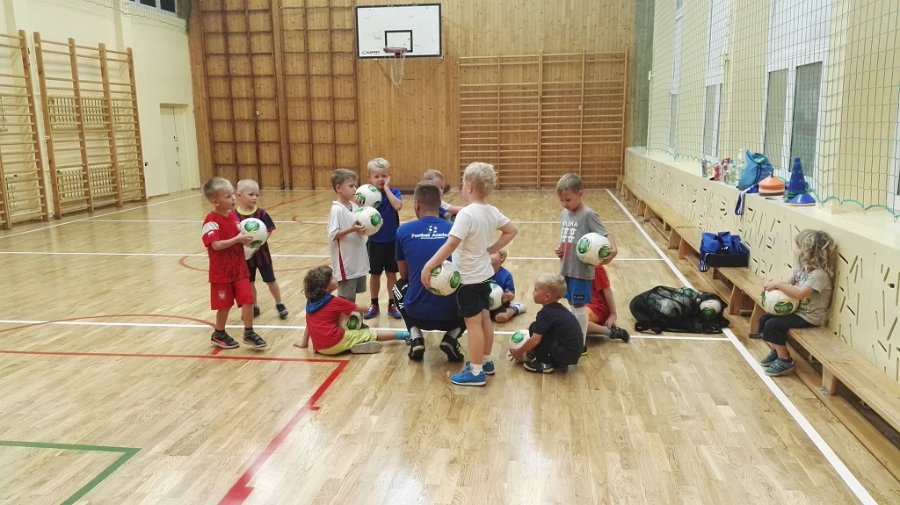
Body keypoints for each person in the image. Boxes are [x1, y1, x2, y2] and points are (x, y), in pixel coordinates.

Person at [422, 162, 518, 386]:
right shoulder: (491, 211)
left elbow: (451, 244)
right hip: (484, 276)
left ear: (469, 186)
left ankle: (475, 372)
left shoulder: (466, 214)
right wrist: (493, 249)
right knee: (484, 319)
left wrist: (429, 266)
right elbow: (512, 230)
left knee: (473, 324)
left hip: (468, 279)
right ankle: (485, 361)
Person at [395, 182, 466, 362]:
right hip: (452, 315)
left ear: (416, 205)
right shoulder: (456, 231)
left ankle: (415, 335)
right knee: (475, 290)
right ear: (440, 204)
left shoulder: (403, 231)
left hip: (417, 314)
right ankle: (452, 335)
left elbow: (404, 275)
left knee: (398, 286)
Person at [757, 230, 837, 376]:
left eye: (799, 247)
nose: (796, 251)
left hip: (808, 317)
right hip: (797, 311)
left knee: (773, 325)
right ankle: (776, 351)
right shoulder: (801, 269)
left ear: (809, 252)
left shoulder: (819, 275)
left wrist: (778, 285)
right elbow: (788, 284)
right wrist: (772, 290)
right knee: (764, 319)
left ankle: (785, 360)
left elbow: (800, 294)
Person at [200, 177, 268, 350]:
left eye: (232, 194)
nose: (233, 199)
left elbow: (239, 240)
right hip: (221, 273)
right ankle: (219, 333)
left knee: (248, 299)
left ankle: (249, 332)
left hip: (240, 270)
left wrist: (249, 244)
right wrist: (237, 239)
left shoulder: (234, 217)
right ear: (215, 201)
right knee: (224, 306)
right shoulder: (211, 222)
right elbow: (216, 245)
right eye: (228, 196)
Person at [555, 173, 618, 354]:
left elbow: (605, 233)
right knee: (572, 305)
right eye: (561, 200)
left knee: (579, 307)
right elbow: (568, 238)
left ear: (580, 194)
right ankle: (576, 340)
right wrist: (560, 249)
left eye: (568, 199)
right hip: (566, 268)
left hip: (581, 271)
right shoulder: (564, 214)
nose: (564, 203)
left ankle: (580, 344)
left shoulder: (588, 215)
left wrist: (614, 249)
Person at [296, 266, 409, 354]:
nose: (336, 278)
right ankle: (405, 335)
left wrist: (304, 343)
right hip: (334, 343)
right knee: (370, 333)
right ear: (325, 286)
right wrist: (351, 310)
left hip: (319, 348)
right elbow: (365, 309)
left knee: (338, 318)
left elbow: (309, 324)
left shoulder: (311, 302)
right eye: (332, 278)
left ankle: (352, 343)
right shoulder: (336, 302)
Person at [233, 179, 288, 319]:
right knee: (250, 282)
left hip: (262, 255)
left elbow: (268, 230)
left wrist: (258, 242)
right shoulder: (234, 216)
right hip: (245, 257)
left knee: (270, 280)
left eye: (256, 195)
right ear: (239, 196)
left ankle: (279, 303)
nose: (254, 198)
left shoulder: (261, 213)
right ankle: (254, 305)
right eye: (251, 194)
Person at [508, 274, 582, 373]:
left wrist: (519, 352)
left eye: (536, 290)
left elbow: (535, 340)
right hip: (572, 353)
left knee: (538, 333)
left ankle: (543, 363)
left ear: (547, 297)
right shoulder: (558, 309)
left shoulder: (546, 314)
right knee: (535, 327)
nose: (533, 292)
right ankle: (555, 361)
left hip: (566, 354)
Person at [363, 158, 403, 320]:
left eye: (384, 176)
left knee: (392, 274)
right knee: (374, 275)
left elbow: (398, 206)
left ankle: (393, 304)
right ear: (370, 178)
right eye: (376, 176)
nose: (380, 179)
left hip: (392, 242)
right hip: (375, 242)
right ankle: (374, 304)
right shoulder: (367, 196)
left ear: (389, 176)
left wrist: (386, 189)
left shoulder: (394, 192)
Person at [328, 169, 368, 303]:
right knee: (345, 298)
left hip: (357, 261)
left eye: (356, 185)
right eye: (351, 186)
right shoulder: (337, 209)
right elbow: (333, 234)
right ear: (338, 188)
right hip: (345, 263)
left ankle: (350, 317)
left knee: (352, 297)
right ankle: (343, 317)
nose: (355, 189)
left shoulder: (354, 207)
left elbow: (358, 229)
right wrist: (352, 229)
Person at [585, 265, 630, 342]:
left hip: (599, 307)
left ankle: (610, 332)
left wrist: (613, 314)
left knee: (577, 321)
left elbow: (607, 290)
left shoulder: (596, 268)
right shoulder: (575, 265)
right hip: (585, 304)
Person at [489, 249, 526, 323]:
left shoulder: (506, 276)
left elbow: (511, 295)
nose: (487, 255)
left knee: (501, 317)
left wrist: (510, 296)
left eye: (491, 252)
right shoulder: (480, 273)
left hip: (499, 305)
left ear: (501, 257)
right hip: (482, 305)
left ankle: (515, 308)